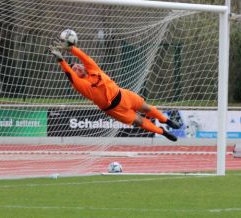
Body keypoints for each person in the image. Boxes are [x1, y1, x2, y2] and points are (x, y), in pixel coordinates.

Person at [49, 30, 180, 142]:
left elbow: (84, 57)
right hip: (115, 110)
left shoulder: (93, 68)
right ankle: (162, 132)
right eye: (74, 69)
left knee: (145, 107)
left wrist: (71, 48)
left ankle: (165, 120)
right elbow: (69, 74)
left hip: (123, 95)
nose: (76, 66)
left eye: (77, 65)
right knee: (139, 121)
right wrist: (61, 60)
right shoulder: (81, 85)